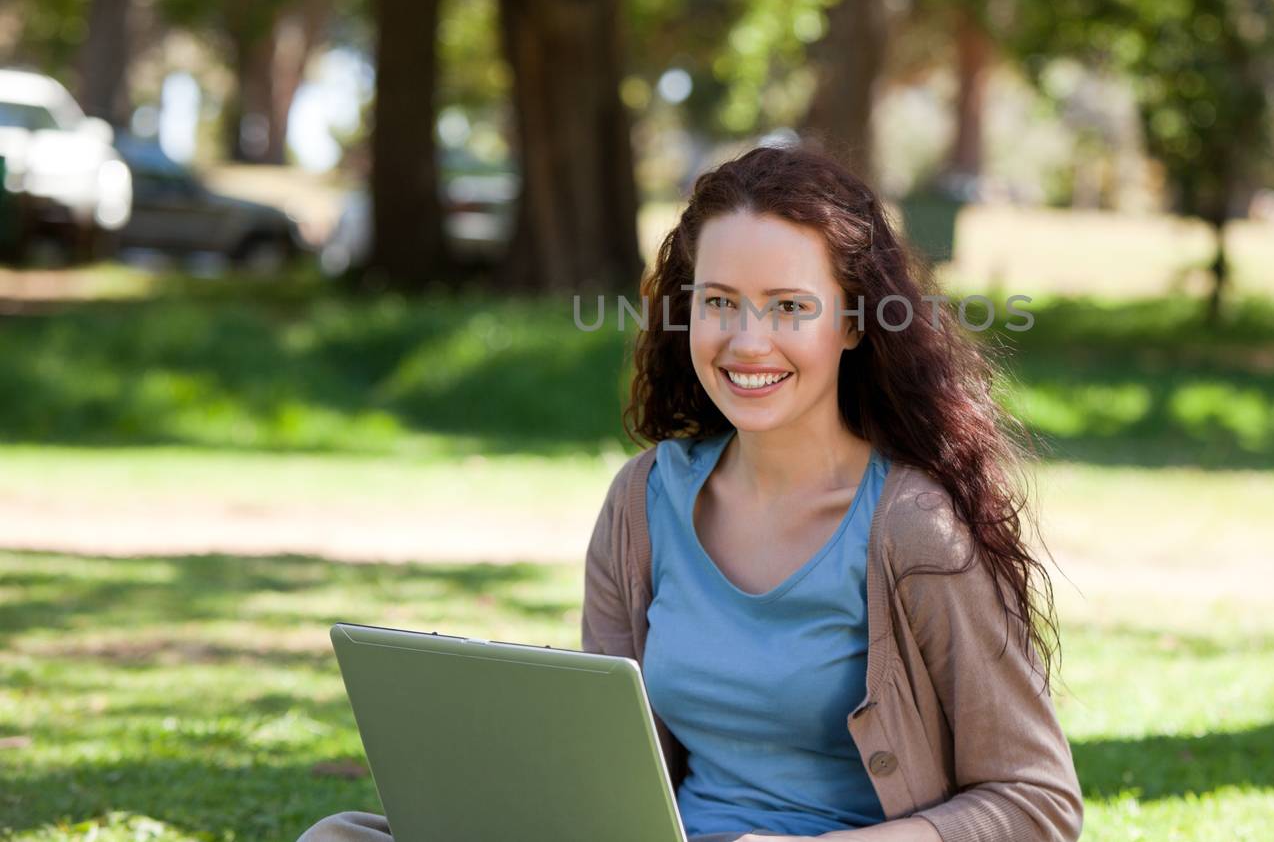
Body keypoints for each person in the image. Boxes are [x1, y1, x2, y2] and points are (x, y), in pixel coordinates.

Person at [299, 143, 1083, 841]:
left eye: (789, 306)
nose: (747, 341)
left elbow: (1038, 800)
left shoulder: (912, 528)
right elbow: (603, 768)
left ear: (852, 323)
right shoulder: (644, 503)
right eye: (719, 302)